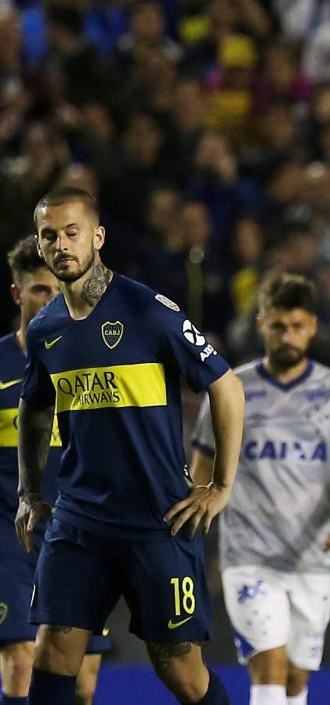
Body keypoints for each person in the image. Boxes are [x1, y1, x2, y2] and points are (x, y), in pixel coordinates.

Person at [15, 188, 245, 705]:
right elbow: (35, 407)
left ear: (98, 237)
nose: (61, 245)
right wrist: (32, 493)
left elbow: (226, 385)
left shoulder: (148, 310)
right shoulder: (47, 327)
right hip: (79, 521)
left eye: (72, 232)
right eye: (50, 235)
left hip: (158, 518)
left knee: (179, 669)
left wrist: (221, 484)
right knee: (52, 652)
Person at [189, 273, 330, 705]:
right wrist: (195, 536)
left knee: (295, 680)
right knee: (268, 667)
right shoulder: (232, 389)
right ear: (261, 324)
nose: (288, 336)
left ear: (312, 327)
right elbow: (202, 467)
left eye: (297, 326)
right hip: (249, 554)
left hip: (312, 554)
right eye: (278, 326)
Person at [1, 236, 109, 705]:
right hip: (9, 537)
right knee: (23, 663)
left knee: (82, 683)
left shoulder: (87, 360)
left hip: (78, 534)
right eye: (39, 290)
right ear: (18, 294)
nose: (50, 298)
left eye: (56, 289)